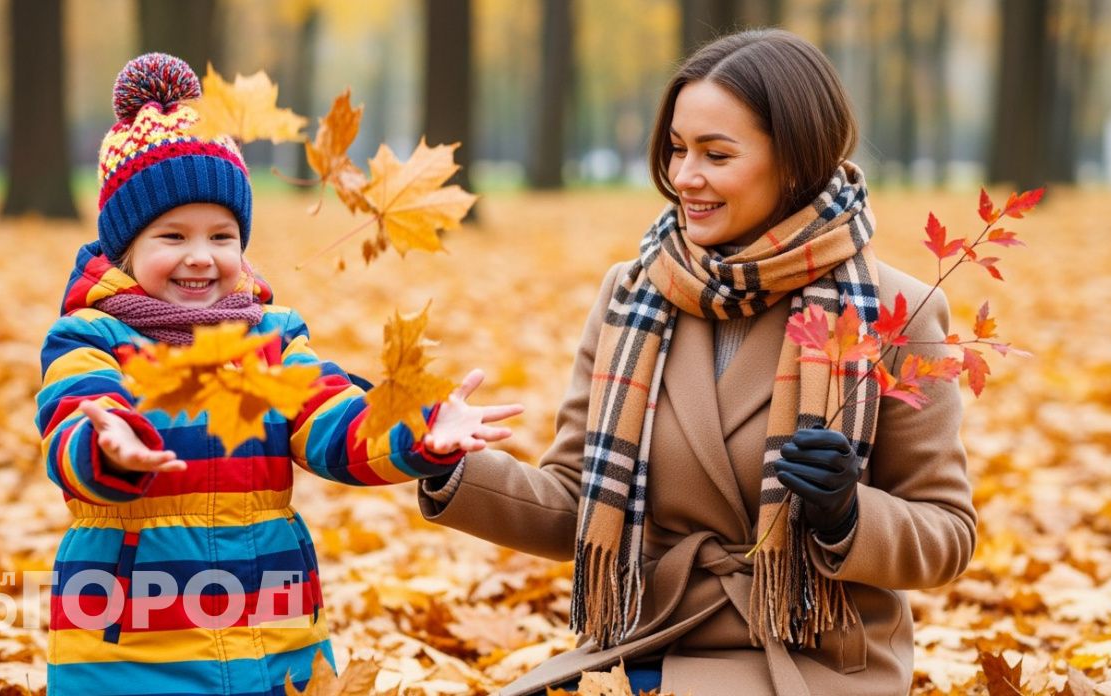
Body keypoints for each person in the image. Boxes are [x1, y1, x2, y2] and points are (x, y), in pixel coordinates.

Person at [417, 29, 977, 696]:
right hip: (652, 638)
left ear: (796, 161)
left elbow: (948, 532)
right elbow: (578, 501)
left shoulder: (892, 311)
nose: (684, 177)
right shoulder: (633, 296)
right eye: (678, 148)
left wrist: (846, 513)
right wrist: (450, 465)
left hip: (811, 659)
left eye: (716, 154)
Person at [36, 53, 521, 695]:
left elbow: (334, 421)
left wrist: (419, 429)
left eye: (222, 236)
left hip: (271, 634)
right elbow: (72, 417)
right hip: (132, 641)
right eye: (172, 237)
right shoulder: (92, 338)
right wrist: (107, 446)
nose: (201, 257)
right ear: (126, 248)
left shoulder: (271, 339)